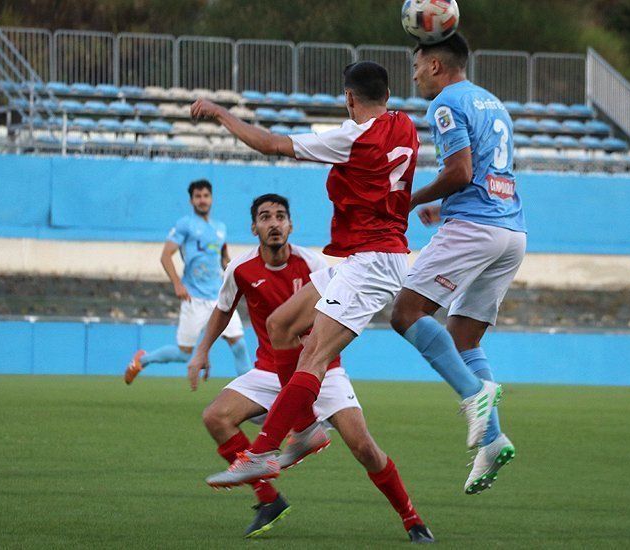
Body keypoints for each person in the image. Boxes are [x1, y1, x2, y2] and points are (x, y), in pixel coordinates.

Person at [190, 61, 498, 487]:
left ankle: (261, 452)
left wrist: (221, 113)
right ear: (387, 97)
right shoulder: (404, 125)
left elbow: (271, 144)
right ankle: (306, 431)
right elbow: (366, 123)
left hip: (374, 262)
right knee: (282, 325)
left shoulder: (352, 138)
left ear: (349, 98)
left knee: (314, 353)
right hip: (363, 259)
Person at [187, 194, 433, 542]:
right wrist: (201, 352)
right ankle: (269, 499)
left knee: (363, 447)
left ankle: (412, 518)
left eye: (280, 216)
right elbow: (223, 310)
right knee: (215, 416)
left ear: (290, 225)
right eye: (265, 217)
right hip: (270, 370)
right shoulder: (240, 269)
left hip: (323, 369)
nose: (274, 223)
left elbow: (340, 311)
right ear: (254, 227)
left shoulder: (314, 265)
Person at [390, 33, 526, 495]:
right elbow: (485, 175)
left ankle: (475, 394)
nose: (413, 76)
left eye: (416, 66)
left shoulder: (445, 103)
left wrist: (411, 201)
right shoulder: (493, 103)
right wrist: (442, 208)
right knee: (463, 336)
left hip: (476, 228)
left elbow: (460, 172)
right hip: (511, 232)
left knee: (406, 313)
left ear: (434, 65)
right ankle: (492, 441)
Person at [124, 179, 250, 384]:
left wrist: (237, 274)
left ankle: (255, 395)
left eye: (206, 196)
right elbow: (166, 256)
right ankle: (142, 360)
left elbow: (223, 259)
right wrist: (177, 283)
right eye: (198, 196)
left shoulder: (220, 228)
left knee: (239, 345)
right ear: (191, 200)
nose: (202, 200)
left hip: (219, 297)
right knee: (183, 354)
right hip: (195, 298)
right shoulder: (185, 224)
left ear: (212, 198)